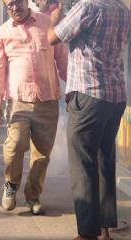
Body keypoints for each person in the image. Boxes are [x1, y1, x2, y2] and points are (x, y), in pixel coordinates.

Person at [48, 1, 131, 239]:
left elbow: (52, 38)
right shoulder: (122, 9)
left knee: (83, 164)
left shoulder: (87, 6)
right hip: (115, 96)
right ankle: (104, 231)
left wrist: (54, 18)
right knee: (105, 161)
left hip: (88, 95)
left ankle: (87, 234)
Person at [0, 0, 67, 215]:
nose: (14, 8)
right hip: (18, 101)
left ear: (26, 2)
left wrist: (71, 88)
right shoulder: (3, 32)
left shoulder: (47, 24)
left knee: (42, 154)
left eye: (17, 2)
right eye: (9, 6)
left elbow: (62, 58)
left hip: (48, 99)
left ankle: (33, 196)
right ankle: (11, 185)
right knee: (14, 146)